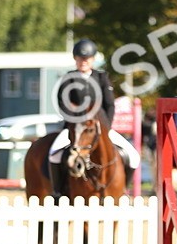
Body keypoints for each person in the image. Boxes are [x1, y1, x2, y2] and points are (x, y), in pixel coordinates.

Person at [47, 39, 139, 198]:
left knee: (133, 156)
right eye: (80, 58)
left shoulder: (101, 77)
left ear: (92, 59)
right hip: (75, 129)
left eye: (86, 59)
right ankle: (58, 191)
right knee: (54, 154)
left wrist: (106, 128)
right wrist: (75, 121)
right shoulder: (68, 78)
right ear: (75, 59)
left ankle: (124, 191)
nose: (83, 61)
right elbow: (62, 103)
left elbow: (109, 105)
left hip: (101, 128)